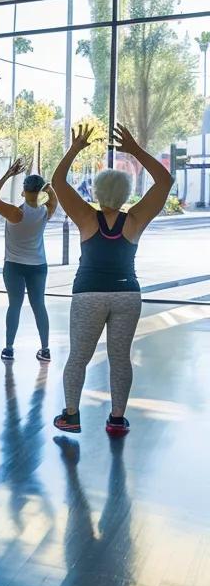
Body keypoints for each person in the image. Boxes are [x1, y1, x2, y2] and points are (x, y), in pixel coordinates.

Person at [50, 123, 171, 437]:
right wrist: (135, 150)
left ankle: (71, 415)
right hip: (127, 295)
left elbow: (57, 182)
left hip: (88, 295)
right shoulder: (135, 219)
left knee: (78, 357)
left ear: (97, 191)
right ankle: (117, 419)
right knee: (120, 359)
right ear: (126, 193)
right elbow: (165, 181)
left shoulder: (86, 217)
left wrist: (75, 149)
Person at [0, 158, 58, 363]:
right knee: (39, 306)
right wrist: (48, 187)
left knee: (15, 305)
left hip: (14, 266)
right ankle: (45, 349)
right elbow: (53, 200)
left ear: (23, 191)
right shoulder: (45, 212)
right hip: (38, 266)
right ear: (39, 192)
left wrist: (8, 174)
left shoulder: (15, 213)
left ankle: (9, 348)